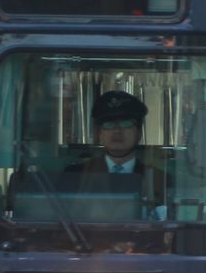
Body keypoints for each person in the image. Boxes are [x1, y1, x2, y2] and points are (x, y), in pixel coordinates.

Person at [65, 89, 167, 219]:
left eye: (126, 124)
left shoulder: (159, 179)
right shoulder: (76, 176)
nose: (117, 131)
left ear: (139, 133)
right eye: (109, 124)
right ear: (99, 134)